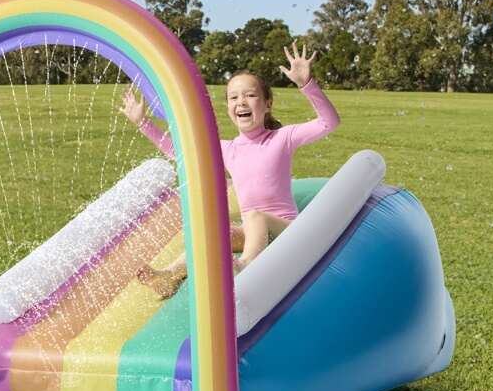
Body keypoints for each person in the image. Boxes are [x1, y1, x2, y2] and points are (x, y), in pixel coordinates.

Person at [120, 42, 340, 298]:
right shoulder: (227, 148)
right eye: (234, 97)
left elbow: (329, 122)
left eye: (250, 95)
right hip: (251, 234)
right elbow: (183, 156)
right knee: (215, 232)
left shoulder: (282, 137)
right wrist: (144, 123)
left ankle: (246, 265)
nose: (241, 102)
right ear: (228, 108)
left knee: (257, 216)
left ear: (267, 103)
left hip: (287, 231)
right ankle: (169, 275)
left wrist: (307, 84)